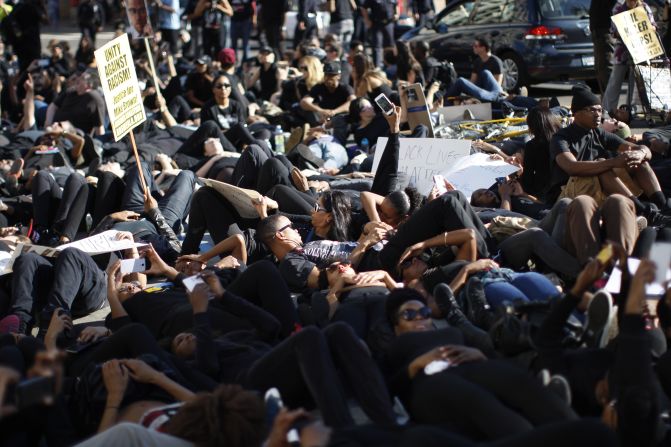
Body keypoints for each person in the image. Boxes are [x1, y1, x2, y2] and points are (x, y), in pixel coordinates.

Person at [548, 86, 671, 227]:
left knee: (638, 161)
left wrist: (640, 153)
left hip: (595, 186)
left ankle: (663, 206)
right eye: (592, 110)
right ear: (577, 113)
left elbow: (642, 149)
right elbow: (571, 167)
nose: (598, 114)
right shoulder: (560, 138)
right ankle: (644, 211)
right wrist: (613, 162)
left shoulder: (598, 133)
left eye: (600, 110)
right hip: (569, 194)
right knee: (603, 164)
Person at [602, 0, 657, 116]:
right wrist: (627, 31)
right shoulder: (618, 7)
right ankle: (607, 112)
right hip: (622, 51)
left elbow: (653, 26)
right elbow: (613, 31)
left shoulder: (644, 7)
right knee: (615, 80)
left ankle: (629, 111)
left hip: (640, 50)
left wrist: (650, 28)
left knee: (635, 80)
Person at [445, 37, 505, 103]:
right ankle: (444, 102)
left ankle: (443, 103)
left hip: (490, 94)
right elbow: (473, 81)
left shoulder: (495, 62)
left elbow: (496, 85)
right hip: (480, 90)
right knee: (459, 83)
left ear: (483, 48)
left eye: (476, 46)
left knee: (461, 81)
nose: (473, 47)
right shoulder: (477, 61)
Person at [46, 71, 106, 136]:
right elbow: (53, 106)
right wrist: (48, 123)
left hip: (70, 135)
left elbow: (99, 130)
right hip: (53, 125)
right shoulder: (71, 91)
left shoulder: (95, 100)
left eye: (82, 78)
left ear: (89, 85)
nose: (78, 79)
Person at [300, 61, 356, 127]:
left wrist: (334, 112)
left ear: (338, 76)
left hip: (339, 117)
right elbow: (304, 102)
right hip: (323, 117)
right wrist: (321, 111)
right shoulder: (319, 87)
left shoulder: (345, 88)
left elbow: (352, 102)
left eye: (331, 75)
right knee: (307, 112)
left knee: (343, 118)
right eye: (326, 75)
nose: (328, 78)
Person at [589, 0, 617, 95]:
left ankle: (610, 104)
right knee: (600, 68)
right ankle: (606, 101)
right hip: (599, 30)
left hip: (606, 28)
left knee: (606, 67)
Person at [361, 0, 397, 67]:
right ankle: (377, 67)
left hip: (389, 23)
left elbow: (396, 4)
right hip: (377, 23)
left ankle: (390, 65)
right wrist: (367, 20)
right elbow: (363, 7)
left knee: (390, 45)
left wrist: (397, 13)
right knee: (377, 46)